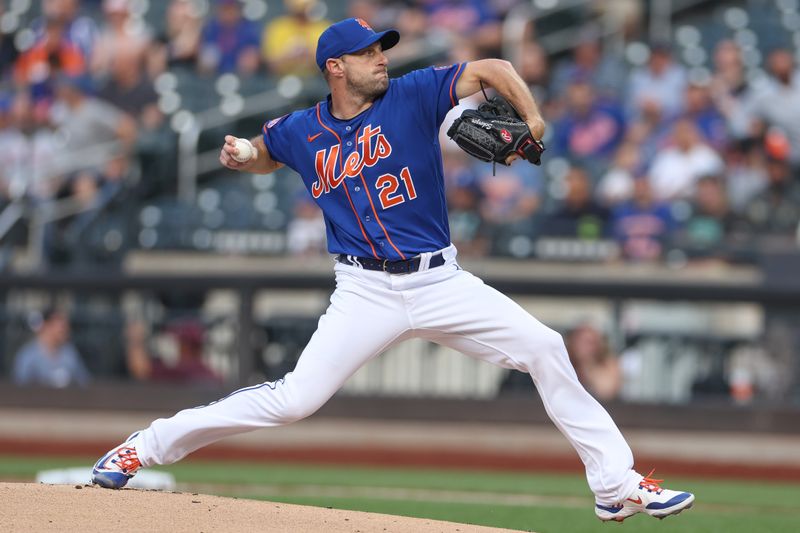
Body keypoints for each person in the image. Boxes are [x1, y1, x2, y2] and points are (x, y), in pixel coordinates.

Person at [91, 18, 695, 523]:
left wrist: (531, 120)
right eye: (368, 52)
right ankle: (143, 446)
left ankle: (615, 486)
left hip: (440, 281)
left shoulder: (414, 93)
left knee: (544, 346)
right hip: (364, 290)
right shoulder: (305, 128)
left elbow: (490, 69)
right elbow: (267, 152)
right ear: (335, 66)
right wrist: (245, 154)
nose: (381, 59)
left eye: (382, 49)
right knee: (293, 400)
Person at [12, 306, 90, 388]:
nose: (67, 330)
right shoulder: (28, 355)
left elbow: (85, 382)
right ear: (47, 326)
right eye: (62, 327)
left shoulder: (70, 353)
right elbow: (19, 385)